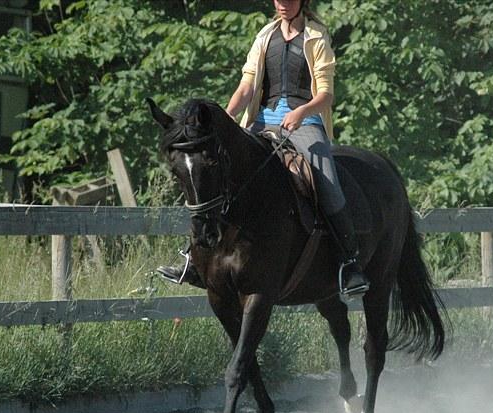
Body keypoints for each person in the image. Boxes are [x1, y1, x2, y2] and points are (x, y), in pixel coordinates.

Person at [158, 0, 369, 297]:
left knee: (326, 180)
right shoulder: (264, 36)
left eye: (290, 0)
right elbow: (247, 87)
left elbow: (326, 95)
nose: (283, 5)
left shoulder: (317, 37)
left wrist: (301, 113)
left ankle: (349, 262)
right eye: (279, 0)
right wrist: (229, 116)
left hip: (304, 123)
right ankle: (196, 259)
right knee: (219, 172)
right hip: (261, 123)